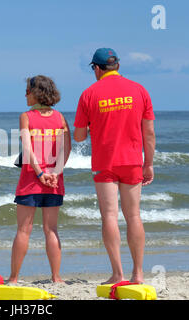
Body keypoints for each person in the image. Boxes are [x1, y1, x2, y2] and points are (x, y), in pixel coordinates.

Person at [73, 48, 156, 284]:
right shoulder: (139, 90)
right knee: (134, 216)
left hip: (105, 162)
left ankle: (118, 273)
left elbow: (78, 137)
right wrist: (148, 164)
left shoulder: (89, 94)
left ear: (97, 69)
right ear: (117, 66)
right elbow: (148, 132)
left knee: (109, 215)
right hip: (132, 161)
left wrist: (94, 127)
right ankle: (138, 273)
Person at [8, 75, 71, 283]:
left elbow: (27, 148)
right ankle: (56, 277)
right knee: (51, 229)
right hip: (54, 181)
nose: (25, 94)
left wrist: (40, 174)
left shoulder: (26, 117)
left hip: (31, 180)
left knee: (23, 230)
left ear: (36, 93)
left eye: (27, 90)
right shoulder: (60, 117)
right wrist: (55, 173)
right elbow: (66, 149)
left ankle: (14, 278)